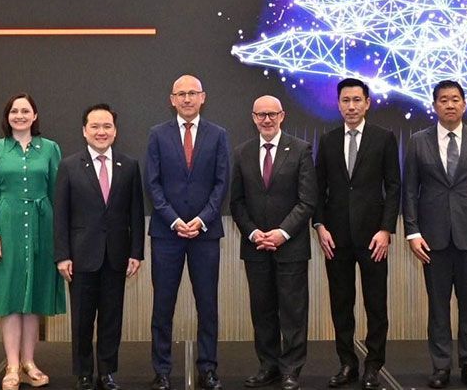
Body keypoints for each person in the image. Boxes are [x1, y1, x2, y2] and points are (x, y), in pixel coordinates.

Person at [402, 80, 467, 390]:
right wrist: (412, 232)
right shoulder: (418, 141)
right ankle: (441, 366)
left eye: (455, 99)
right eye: (443, 99)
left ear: (464, 104)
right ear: (434, 105)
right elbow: (409, 190)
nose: (449, 104)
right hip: (432, 239)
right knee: (438, 305)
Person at [313, 78, 400, 390]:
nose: (351, 106)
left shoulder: (384, 138)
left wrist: (386, 229)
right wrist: (319, 226)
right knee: (341, 303)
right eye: (345, 101)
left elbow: (393, 187)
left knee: (376, 304)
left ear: (367, 103)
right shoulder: (328, 140)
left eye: (357, 100)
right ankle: (347, 363)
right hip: (335, 237)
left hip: (373, 237)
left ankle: (373, 365)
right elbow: (317, 188)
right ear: (338, 105)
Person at [146, 74, 230, 390]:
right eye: (180, 94)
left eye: (192, 93)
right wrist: (172, 219)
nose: (186, 99)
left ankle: (208, 368)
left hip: (204, 235)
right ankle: (162, 370)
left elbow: (222, 183)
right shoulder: (157, 134)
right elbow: (152, 183)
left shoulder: (218, 135)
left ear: (203, 97)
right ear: (172, 100)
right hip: (166, 234)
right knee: (162, 305)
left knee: (207, 305)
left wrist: (203, 219)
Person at [54, 104, 145, 390]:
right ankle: (83, 373)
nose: (101, 131)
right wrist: (62, 255)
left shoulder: (129, 166)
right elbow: (61, 215)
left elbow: (136, 213)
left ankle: (107, 372)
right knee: (82, 319)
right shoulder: (69, 166)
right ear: (84, 131)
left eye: (107, 126)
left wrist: (136, 252)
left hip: (117, 255)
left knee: (111, 317)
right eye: (95, 126)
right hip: (81, 256)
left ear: (115, 131)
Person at [230, 96, 316, 390]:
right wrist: (254, 233)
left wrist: (282, 232)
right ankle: (268, 366)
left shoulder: (301, 149)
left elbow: (307, 201)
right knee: (262, 311)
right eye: (261, 115)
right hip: (255, 246)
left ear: (282, 115)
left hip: (290, 246)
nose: (266, 119)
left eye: (272, 114)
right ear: (253, 117)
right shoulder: (241, 152)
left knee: (293, 311)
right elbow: (237, 202)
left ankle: (291, 369)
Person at [0, 93, 66, 390]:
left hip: (43, 225)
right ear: (7, 116)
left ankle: (29, 362)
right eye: (14, 111)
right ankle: (12, 365)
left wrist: (59, 236)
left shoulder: (50, 148)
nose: (20, 115)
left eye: (25, 110)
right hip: (8, 225)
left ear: (35, 115)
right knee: (10, 297)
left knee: (34, 298)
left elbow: (58, 192)